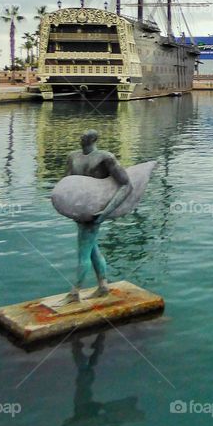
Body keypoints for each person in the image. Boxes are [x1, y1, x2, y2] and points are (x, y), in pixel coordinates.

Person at [60, 130, 132, 304]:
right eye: (81, 135)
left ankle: (75, 292)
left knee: (83, 253)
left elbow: (126, 185)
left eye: (85, 136)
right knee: (92, 249)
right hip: (78, 210)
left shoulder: (105, 157)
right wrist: (65, 204)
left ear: (93, 139)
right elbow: (66, 183)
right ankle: (103, 286)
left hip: (94, 212)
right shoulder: (73, 157)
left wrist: (106, 211)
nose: (81, 137)